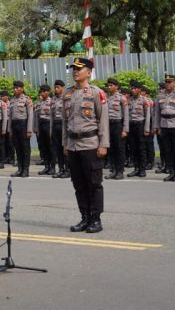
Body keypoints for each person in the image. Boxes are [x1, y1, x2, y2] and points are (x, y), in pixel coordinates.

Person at [62, 58, 109, 233]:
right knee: (79, 184)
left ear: (88, 72)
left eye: (79, 69)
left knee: (94, 184)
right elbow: (65, 121)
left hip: (90, 144)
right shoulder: (68, 94)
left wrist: (103, 144)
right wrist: (65, 143)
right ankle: (85, 217)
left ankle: (96, 219)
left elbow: (103, 120)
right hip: (73, 146)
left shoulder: (97, 93)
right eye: (73, 69)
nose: (75, 72)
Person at [105, 78, 129, 180]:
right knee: (112, 149)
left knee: (120, 149)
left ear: (116, 86)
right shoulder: (107, 98)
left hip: (118, 125)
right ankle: (113, 170)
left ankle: (120, 171)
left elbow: (126, 115)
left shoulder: (122, 98)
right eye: (108, 85)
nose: (109, 87)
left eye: (111, 85)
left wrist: (125, 129)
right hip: (109, 125)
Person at [9, 81, 34, 178]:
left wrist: (29, 130)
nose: (15, 89)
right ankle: (19, 169)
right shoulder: (12, 100)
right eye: (14, 88)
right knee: (17, 148)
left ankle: (25, 170)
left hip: (23, 125)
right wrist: (10, 130)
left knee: (25, 148)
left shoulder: (27, 99)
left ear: (22, 89)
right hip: (15, 126)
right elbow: (10, 116)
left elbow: (30, 115)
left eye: (17, 88)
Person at [126, 81, 151, 178]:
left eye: (134, 88)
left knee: (141, 148)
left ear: (139, 90)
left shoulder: (144, 100)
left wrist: (146, 129)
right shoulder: (129, 100)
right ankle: (136, 168)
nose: (132, 90)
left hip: (140, 125)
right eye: (132, 88)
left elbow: (147, 115)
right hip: (132, 126)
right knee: (133, 148)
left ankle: (142, 169)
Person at [34, 85, 54, 175]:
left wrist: (51, 130)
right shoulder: (39, 103)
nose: (42, 93)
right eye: (41, 91)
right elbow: (37, 116)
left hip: (48, 124)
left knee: (50, 147)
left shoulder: (52, 102)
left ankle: (52, 168)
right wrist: (37, 128)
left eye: (44, 91)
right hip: (41, 125)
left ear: (48, 92)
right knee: (44, 147)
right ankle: (46, 167)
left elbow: (53, 117)